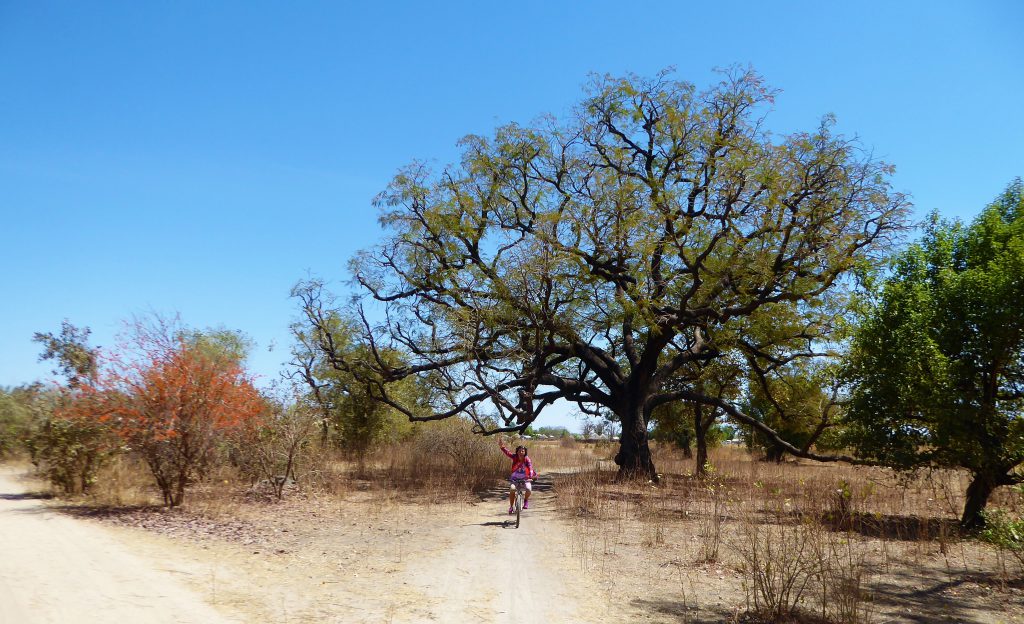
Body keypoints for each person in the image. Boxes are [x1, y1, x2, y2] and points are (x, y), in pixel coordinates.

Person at [499, 437, 536, 514]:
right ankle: (511, 506)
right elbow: (508, 453)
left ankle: (525, 500)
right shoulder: (515, 457)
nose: (521, 452)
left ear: (525, 452)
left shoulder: (527, 459)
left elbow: (530, 468)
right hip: (515, 479)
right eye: (519, 451)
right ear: (517, 451)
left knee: (528, 489)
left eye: (523, 451)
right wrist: (502, 447)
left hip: (525, 479)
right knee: (512, 490)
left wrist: (530, 476)